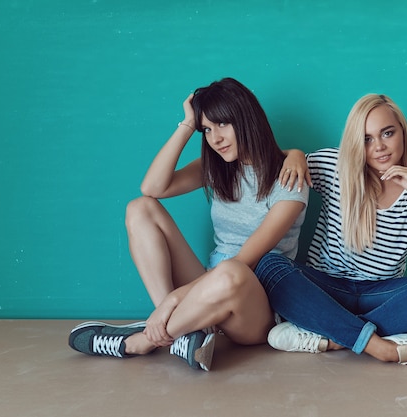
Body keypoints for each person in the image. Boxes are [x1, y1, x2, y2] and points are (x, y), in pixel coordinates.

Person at [68, 78, 309, 371]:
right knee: (140, 208)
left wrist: (174, 300)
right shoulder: (219, 168)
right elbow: (152, 188)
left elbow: (246, 262)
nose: (215, 138)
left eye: (222, 124)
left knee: (232, 270)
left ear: (247, 119)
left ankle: (144, 340)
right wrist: (186, 125)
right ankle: (182, 328)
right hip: (209, 287)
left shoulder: (289, 178)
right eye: (206, 129)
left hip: (255, 309)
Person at [255, 93, 407, 365]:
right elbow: (268, 161)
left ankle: (332, 336)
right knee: (269, 266)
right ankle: (383, 347)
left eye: (387, 133)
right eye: (367, 138)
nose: (379, 147)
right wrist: (295, 154)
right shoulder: (335, 167)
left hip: (382, 297)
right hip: (324, 289)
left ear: (403, 133)